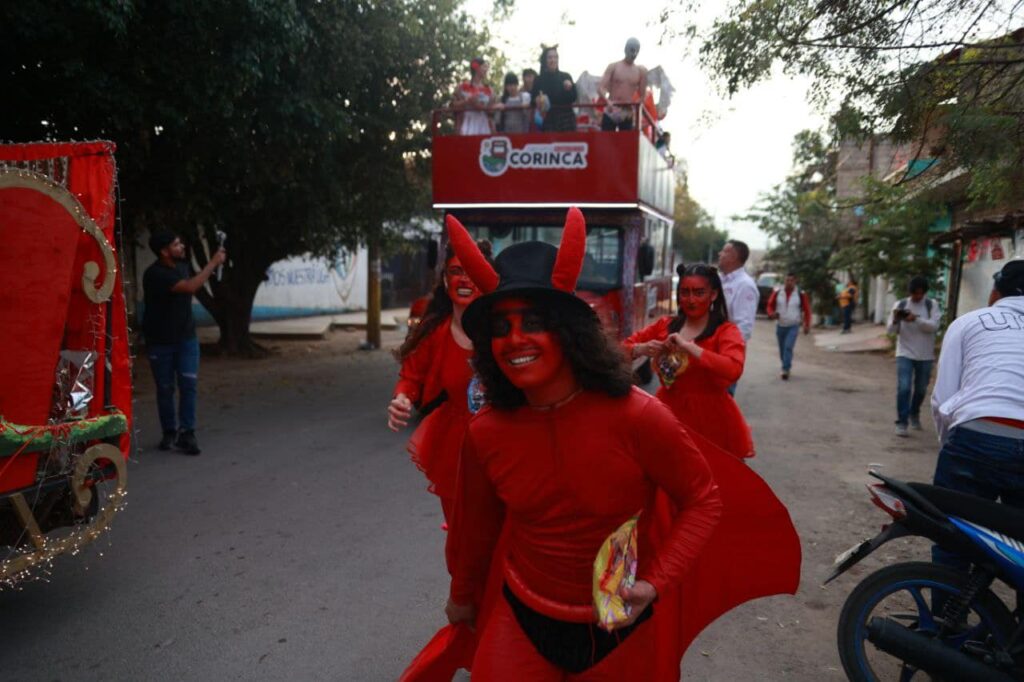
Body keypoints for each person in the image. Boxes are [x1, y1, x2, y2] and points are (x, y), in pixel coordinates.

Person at [403, 210, 801, 681]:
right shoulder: (487, 431)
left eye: (532, 321)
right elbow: (475, 529)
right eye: (502, 327)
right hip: (522, 615)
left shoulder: (639, 416)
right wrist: (463, 594)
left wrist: (655, 582)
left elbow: (702, 499)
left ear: (568, 332)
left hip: (622, 625)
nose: (515, 339)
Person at [388, 240, 493, 528]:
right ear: (445, 278)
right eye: (456, 271)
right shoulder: (435, 332)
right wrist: (403, 399)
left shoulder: (504, 328)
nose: (464, 279)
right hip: (455, 448)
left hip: (501, 443)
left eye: (472, 271)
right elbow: (410, 377)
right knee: (461, 535)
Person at [930, 259, 1024, 569]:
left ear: (995, 293)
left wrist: (952, 447)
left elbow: (943, 399)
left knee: (952, 539)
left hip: (977, 433)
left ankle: (946, 615)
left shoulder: (969, 322)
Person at [625, 263, 754, 459]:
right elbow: (616, 350)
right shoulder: (665, 325)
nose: (691, 300)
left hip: (712, 420)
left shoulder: (725, 331)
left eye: (699, 293)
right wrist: (639, 349)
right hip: (667, 416)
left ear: (713, 295)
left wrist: (689, 347)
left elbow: (733, 368)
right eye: (685, 293)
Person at [142, 230, 226, 455]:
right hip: (160, 341)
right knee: (165, 388)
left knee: (188, 386)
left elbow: (193, 281)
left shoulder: (183, 266)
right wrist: (214, 262)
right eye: (176, 244)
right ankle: (169, 432)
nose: (181, 247)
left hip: (186, 339)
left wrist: (212, 266)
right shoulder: (155, 274)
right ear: (164, 251)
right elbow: (189, 287)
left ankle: (187, 432)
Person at [887, 276, 942, 437]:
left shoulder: (931, 305)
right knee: (904, 387)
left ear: (924, 293)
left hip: (925, 355)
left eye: (919, 294)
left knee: (920, 389)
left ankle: (914, 412)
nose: (916, 297)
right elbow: (890, 331)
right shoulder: (901, 304)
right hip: (904, 352)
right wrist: (897, 320)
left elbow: (933, 327)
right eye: (913, 294)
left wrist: (916, 320)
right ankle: (902, 422)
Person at [766, 273, 811, 380]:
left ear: (795, 282)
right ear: (784, 281)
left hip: (793, 325)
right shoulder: (778, 292)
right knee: (782, 349)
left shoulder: (800, 294)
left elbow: (807, 310)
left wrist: (806, 324)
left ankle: (785, 369)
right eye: (787, 280)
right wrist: (771, 313)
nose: (789, 282)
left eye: (791, 280)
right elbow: (769, 305)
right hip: (780, 325)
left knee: (788, 347)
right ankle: (785, 364)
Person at [598, 37, 648, 131]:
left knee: (625, 143)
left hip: (627, 111)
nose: (634, 53)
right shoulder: (614, 66)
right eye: (632, 49)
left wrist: (634, 106)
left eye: (637, 51)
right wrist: (608, 102)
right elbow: (600, 87)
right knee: (606, 142)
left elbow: (643, 95)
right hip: (611, 108)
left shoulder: (640, 71)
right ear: (625, 49)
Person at [717, 240, 758, 343]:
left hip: (726, 346)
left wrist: (729, 347)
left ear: (733, 257)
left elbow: (744, 325)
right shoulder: (720, 280)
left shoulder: (745, 285)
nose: (719, 254)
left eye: (724, 251)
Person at [531, 45, 577, 133]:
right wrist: (538, 100)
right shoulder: (539, 79)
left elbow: (574, 97)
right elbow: (532, 101)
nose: (553, 60)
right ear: (545, 60)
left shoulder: (566, 76)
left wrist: (569, 89)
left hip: (566, 119)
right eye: (550, 57)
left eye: (555, 57)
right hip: (548, 120)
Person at [453, 57, 494, 136]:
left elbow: (491, 109)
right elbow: (454, 104)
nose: (486, 70)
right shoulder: (463, 87)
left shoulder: (489, 89)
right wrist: (467, 101)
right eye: (484, 67)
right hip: (467, 122)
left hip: (483, 123)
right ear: (476, 68)